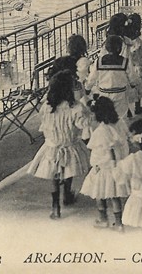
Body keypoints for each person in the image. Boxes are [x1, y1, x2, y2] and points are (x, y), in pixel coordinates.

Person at [28, 71, 91, 219]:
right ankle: (67, 194)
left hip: (52, 145)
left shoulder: (47, 107)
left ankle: (55, 206)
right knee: (68, 168)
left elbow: (44, 124)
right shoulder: (76, 107)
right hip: (69, 144)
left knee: (54, 175)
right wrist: (89, 112)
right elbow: (83, 124)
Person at [79, 96, 130, 231]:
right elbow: (126, 139)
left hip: (104, 167)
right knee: (115, 196)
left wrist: (104, 165)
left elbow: (108, 150)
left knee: (99, 193)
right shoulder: (120, 122)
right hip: (118, 165)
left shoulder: (102, 131)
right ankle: (119, 223)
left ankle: (103, 219)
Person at [86, 35, 139, 119]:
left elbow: (92, 77)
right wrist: (133, 84)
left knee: (106, 116)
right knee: (120, 117)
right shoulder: (124, 62)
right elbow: (132, 76)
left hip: (104, 94)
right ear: (119, 48)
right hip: (120, 94)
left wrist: (87, 88)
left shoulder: (99, 61)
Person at [125, 14, 142, 115]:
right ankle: (137, 107)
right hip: (137, 66)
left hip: (127, 67)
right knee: (138, 88)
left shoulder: (125, 39)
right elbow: (138, 52)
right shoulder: (135, 40)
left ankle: (127, 110)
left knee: (126, 89)